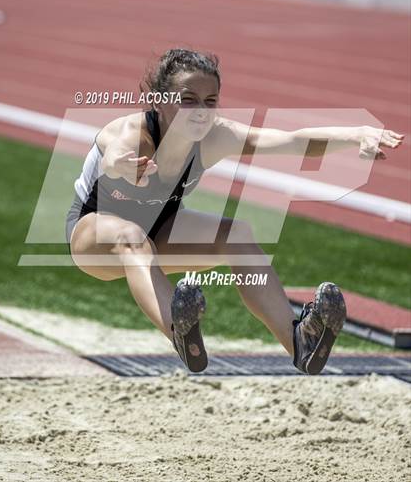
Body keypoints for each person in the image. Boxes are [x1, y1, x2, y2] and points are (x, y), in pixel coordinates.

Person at [65, 48, 404, 374]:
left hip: (160, 232)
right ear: (159, 101)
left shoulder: (215, 137)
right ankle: (179, 330)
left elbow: (293, 142)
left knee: (236, 234)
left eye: (210, 102)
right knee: (131, 236)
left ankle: (300, 340)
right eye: (188, 100)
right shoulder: (133, 134)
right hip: (94, 237)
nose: (200, 111)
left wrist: (356, 134)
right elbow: (113, 152)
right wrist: (121, 165)